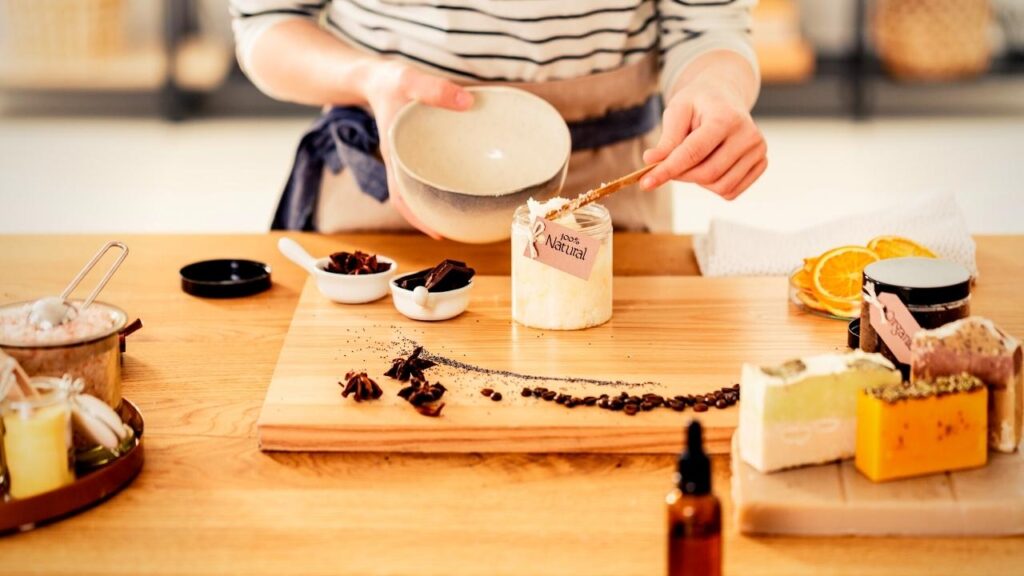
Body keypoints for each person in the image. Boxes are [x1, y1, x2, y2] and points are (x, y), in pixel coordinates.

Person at [230, 0, 767, 237]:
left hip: (600, 195)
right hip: (387, 182)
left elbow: (707, 26)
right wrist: (370, 80)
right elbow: (267, 21)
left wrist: (716, 90)